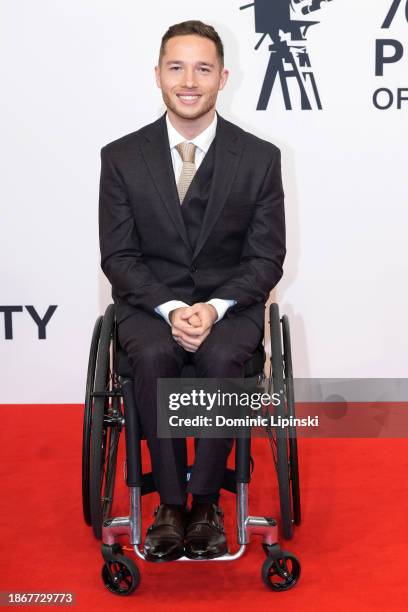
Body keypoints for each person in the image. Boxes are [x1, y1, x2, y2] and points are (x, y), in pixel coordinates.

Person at [99, 20, 286, 562]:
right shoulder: (121, 157)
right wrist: (174, 307)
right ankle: (169, 506)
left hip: (231, 305)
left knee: (226, 354)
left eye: (203, 69)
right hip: (148, 304)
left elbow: (265, 257)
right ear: (157, 75)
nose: (189, 80)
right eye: (176, 67)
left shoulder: (259, 158)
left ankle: (206, 503)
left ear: (223, 77)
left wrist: (213, 306)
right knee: (153, 353)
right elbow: (119, 256)